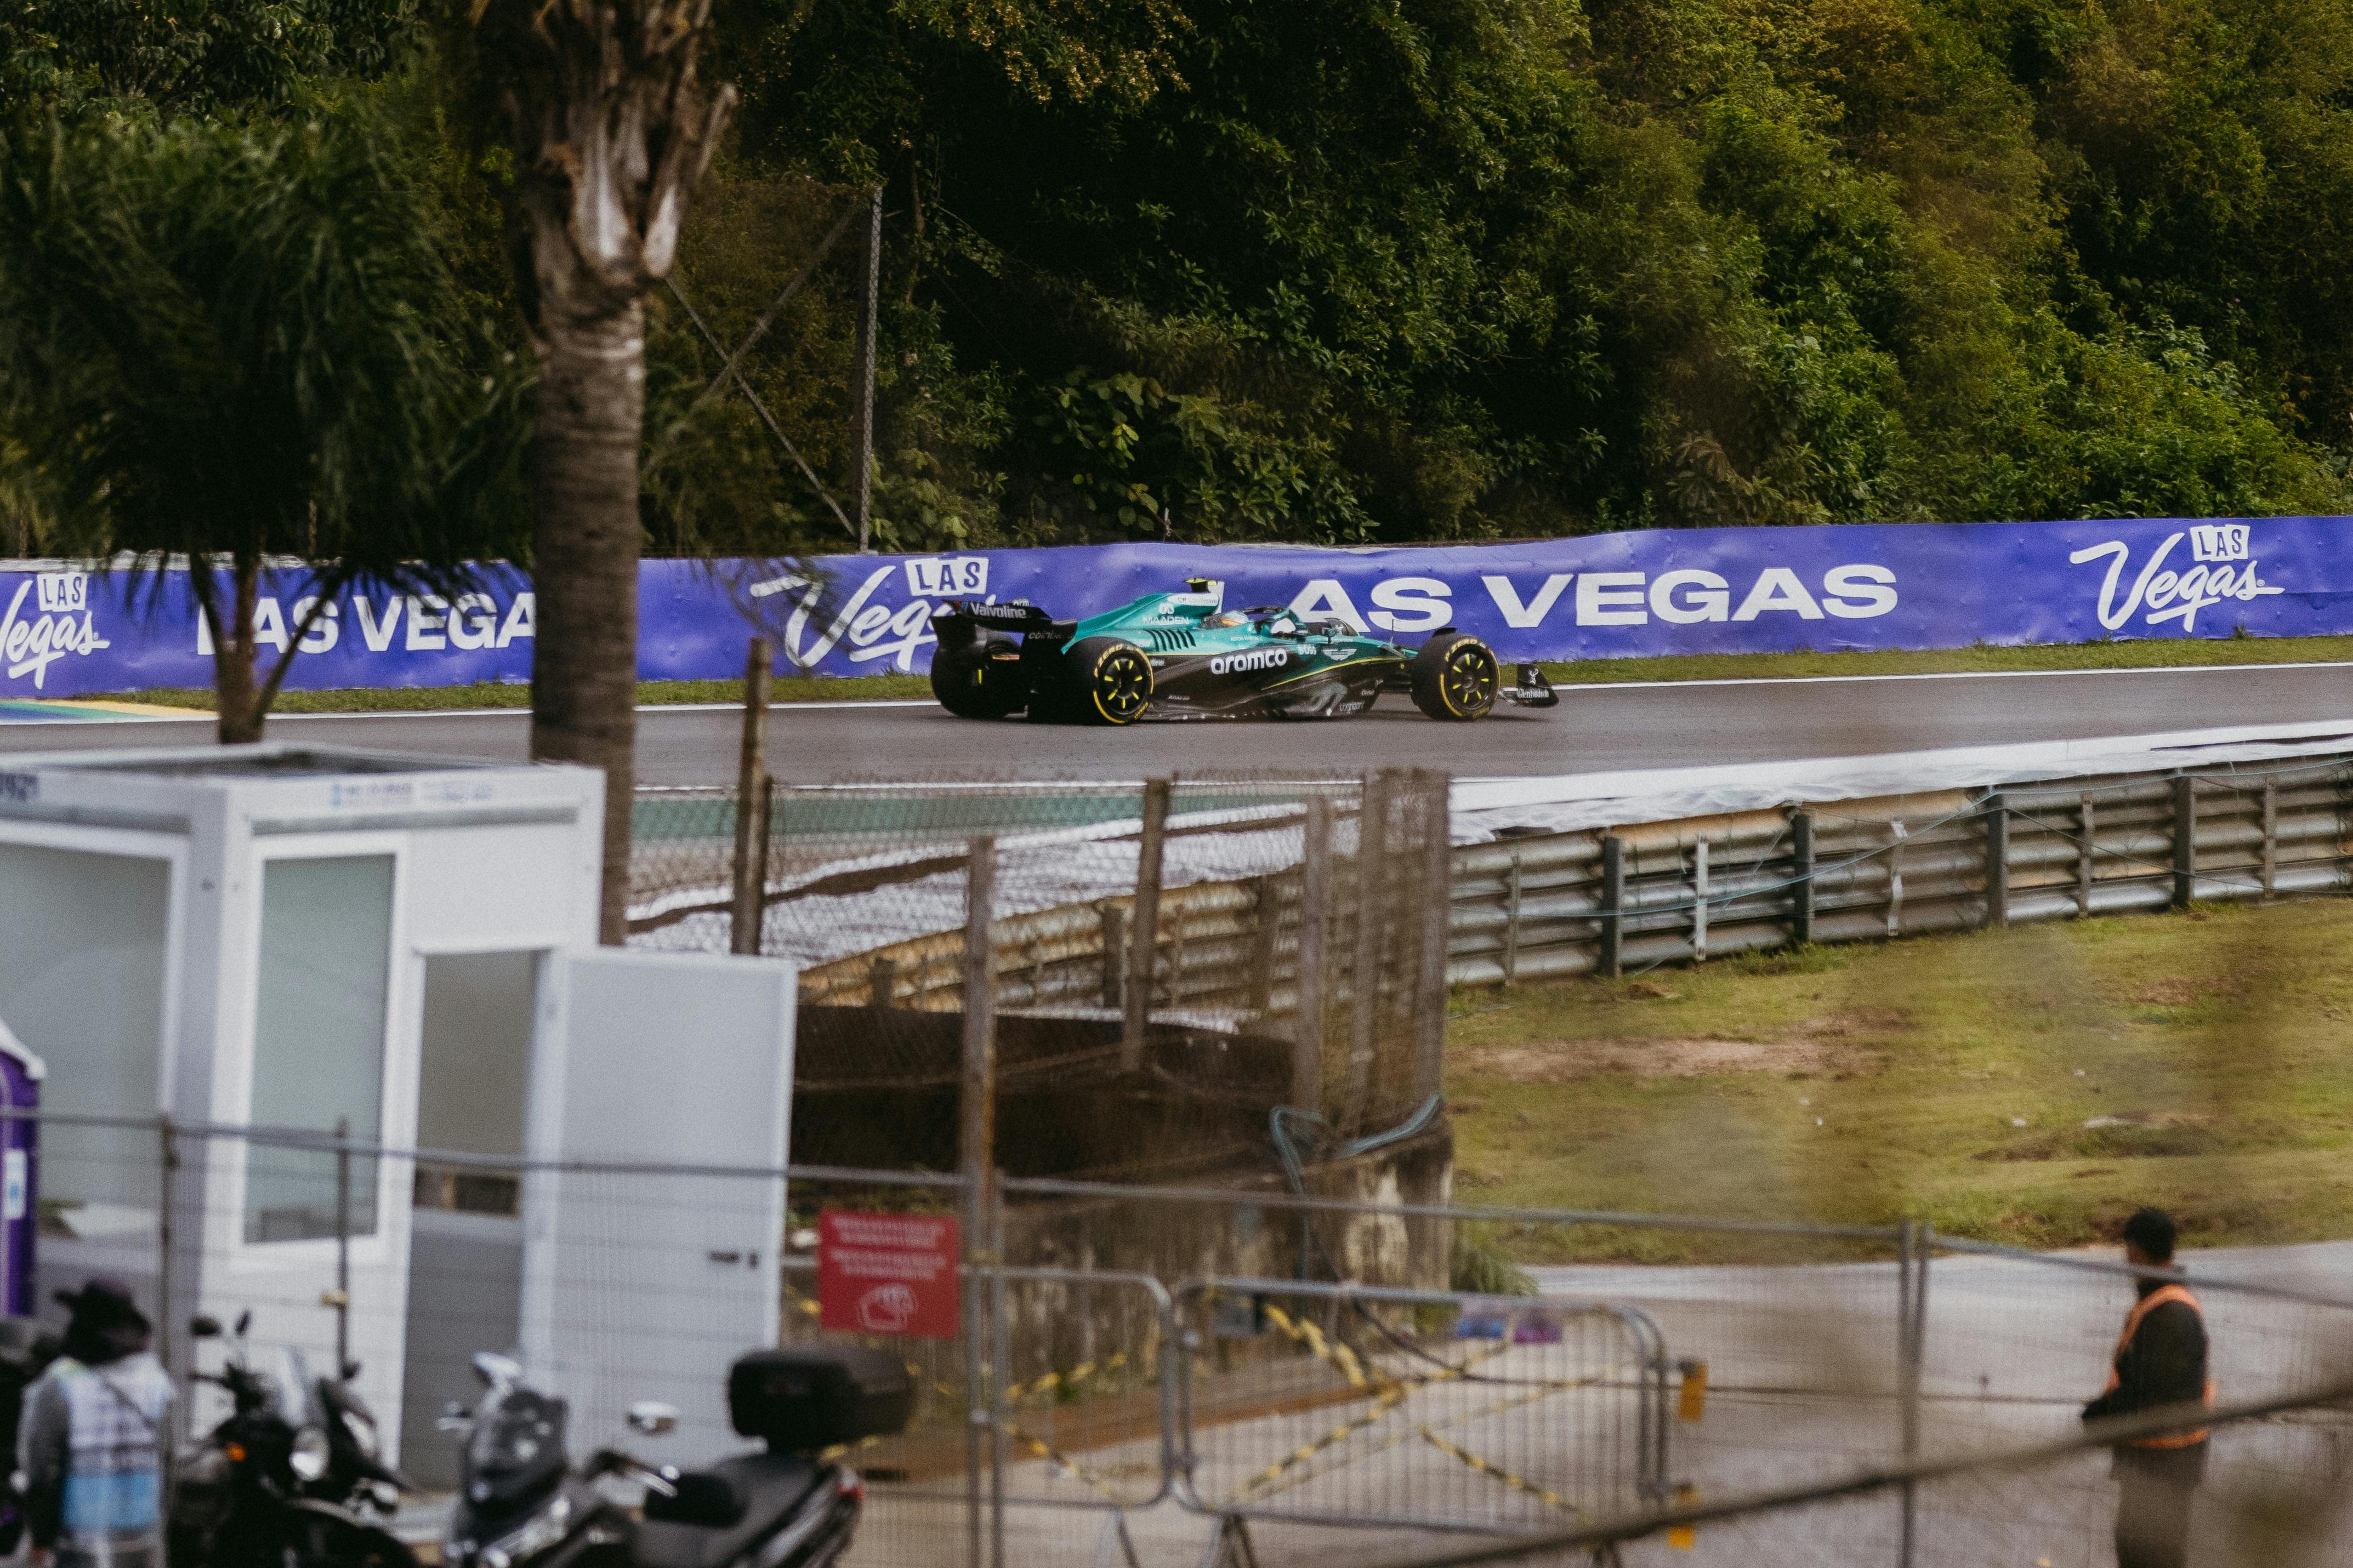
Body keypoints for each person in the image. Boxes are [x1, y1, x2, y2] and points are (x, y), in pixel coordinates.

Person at [2083, 1207, 2212, 1568]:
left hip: (2163, 1458)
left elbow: (2149, 1388)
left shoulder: (2169, 1310)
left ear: (2136, 1252)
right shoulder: (2165, 1299)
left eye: (2129, 1251)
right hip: (2164, 1454)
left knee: (2149, 1555)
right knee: (2146, 1551)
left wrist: (2101, 1413)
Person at [15, 1278, 174, 1568]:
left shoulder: (61, 1383)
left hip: (81, 1546)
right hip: (143, 1541)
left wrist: (40, 1540)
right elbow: (166, 1464)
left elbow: (41, 1472)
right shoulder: (156, 1381)